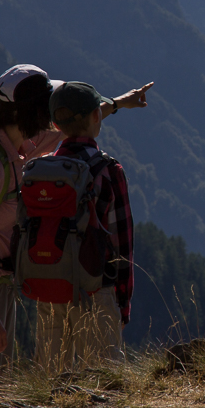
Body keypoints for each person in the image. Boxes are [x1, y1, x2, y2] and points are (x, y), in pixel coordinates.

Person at [0, 64, 152, 372]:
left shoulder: (23, 149)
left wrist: (119, 103)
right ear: (37, 111)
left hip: (0, 287)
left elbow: (76, 124)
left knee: (1, 386)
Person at [34, 80, 138, 372]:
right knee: (104, 390)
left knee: (49, 386)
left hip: (49, 286)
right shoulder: (107, 170)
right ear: (97, 116)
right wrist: (122, 303)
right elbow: (122, 244)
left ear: (55, 125)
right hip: (96, 291)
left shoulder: (40, 169)